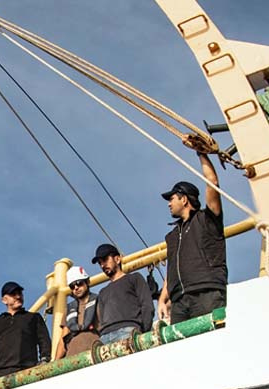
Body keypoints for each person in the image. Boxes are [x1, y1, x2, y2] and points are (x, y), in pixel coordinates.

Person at [159, 137, 227, 324]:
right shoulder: (172, 236)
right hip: (180, 302)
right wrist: (163, 299)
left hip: (207, 293)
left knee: (215, 344)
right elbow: (171, 269)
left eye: (172, 198)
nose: (169, 204)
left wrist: (201, 152)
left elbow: (212, 181)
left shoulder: (207, 220)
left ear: (185, 199)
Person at [0, 281, 51, 380]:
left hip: (26, 373)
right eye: (13, 294)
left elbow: (44, 341)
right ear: (4, 300)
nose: (18, 296)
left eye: (20, 293)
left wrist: (45, 359)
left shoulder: (33, 318)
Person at [94, 243, 152, 345]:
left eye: (105, 259)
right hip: (105, 337)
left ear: (117, 259)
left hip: (129, 331)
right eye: (100, 263)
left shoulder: (134, 278)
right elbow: (102, 320)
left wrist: (143, 333)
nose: (103, 265)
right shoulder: (102, 292)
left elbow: (147, 306)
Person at [52, 265, 99, 358]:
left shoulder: (100, 301)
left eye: (79, 283)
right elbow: (63, 340)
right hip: (72, 358)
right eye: (72, 286)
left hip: (94, 355)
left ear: (87, 282)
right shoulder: (69, 309)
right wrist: (55, 363)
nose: (76, 288)